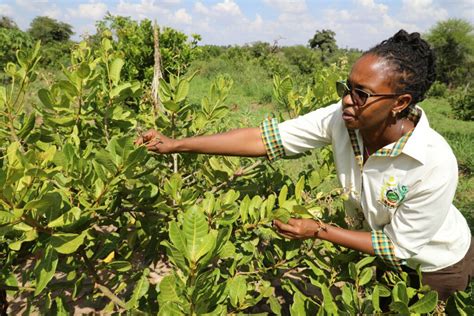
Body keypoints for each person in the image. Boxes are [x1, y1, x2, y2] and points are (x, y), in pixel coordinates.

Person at [136, 30, 473, 301]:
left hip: (438, 265)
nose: (346, 100)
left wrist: (318, 230)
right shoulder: (342, 119)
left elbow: (398, 246)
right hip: (377, 254)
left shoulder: (433, 162)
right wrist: (177, 144)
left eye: (361, 94)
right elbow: (265, 139)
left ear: (400, 103)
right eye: (346, 88)